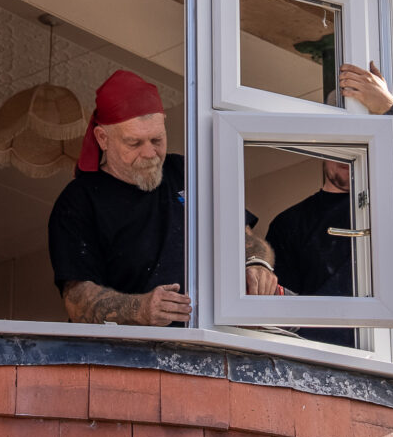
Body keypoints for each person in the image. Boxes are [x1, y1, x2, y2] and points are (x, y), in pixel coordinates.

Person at [48, 70, 277, 326]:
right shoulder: (79, 200)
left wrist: (257, 265)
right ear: (103, 138)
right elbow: (77, 299)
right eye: (134, 143)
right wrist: (140, 309)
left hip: (210, 335)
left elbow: (244, 239)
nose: (150, 153)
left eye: (157, 139)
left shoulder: (188, 172)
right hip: (127, 347)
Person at [265, 62, 393, 369]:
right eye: (338, 136)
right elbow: (284, 316)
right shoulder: (290, 224)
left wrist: (389, 110)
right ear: (320, 144)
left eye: (359, 135)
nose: (348, 147)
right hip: (335, 371)